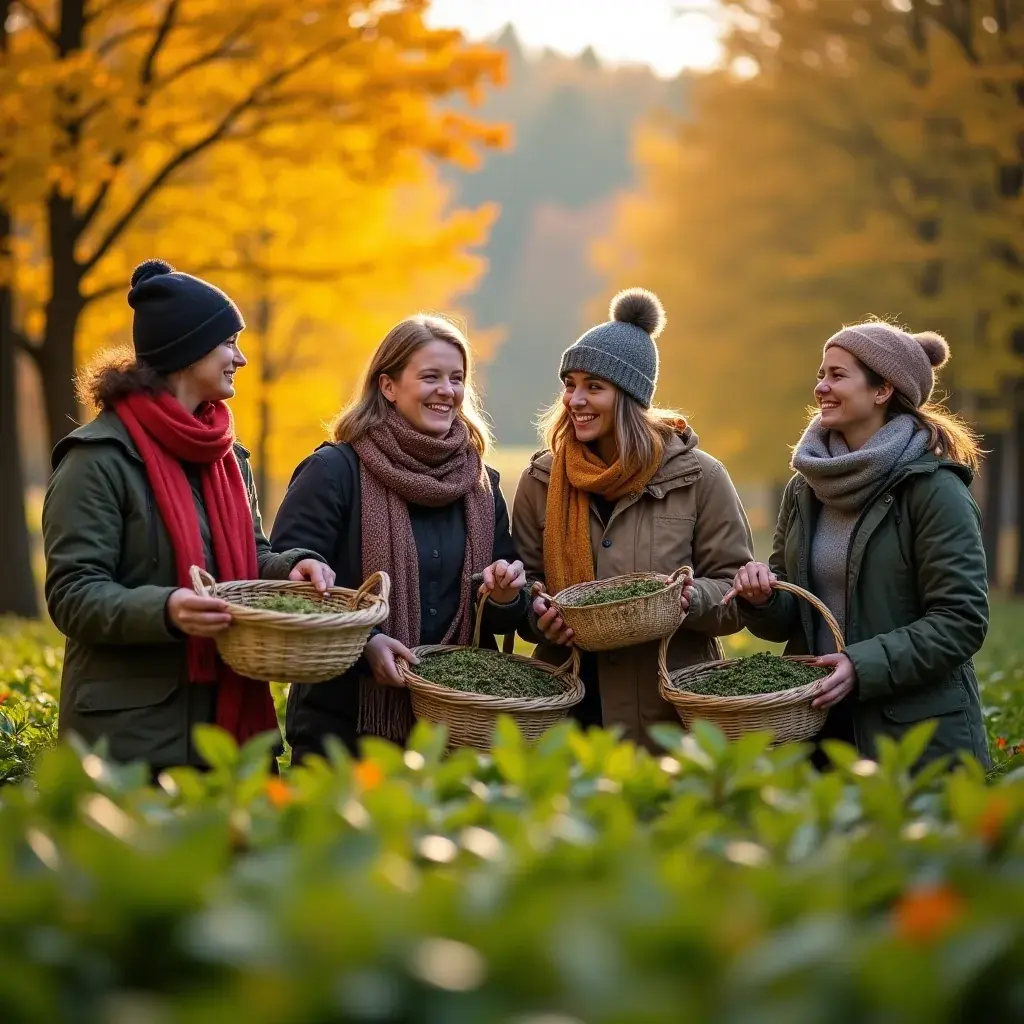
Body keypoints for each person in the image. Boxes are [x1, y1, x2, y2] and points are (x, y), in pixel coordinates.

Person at [42, 259, 334, 771]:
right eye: (228, 343)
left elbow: (250, 555)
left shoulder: (224, 455)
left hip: (227, 735)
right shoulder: (97, 459)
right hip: (132, 743)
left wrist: (291, 568)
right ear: (187, 350)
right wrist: (166, 609)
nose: (240, 359)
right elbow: (73, 594)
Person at [729, 319, 990, 768]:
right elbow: (792, 612)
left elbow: (961, 620)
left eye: (837, 375)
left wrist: (860, 664)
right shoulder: (805, 488)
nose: (821, 387)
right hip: (818, 731)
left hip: (912, 738)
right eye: (820, 375)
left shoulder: (934, 491)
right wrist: (762, 597)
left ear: (882, 390)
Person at [271, 314, 528, 762]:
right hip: (344, 728)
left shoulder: (481, 486)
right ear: (387, 386)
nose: (446, 390)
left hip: (455, 736)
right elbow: (289, 587)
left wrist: (505, 596)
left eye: (456, 378)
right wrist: (365, 642)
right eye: (430, 377)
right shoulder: (334, 472)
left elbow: (501, 617)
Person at [511, 288, 755, 748]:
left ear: (628, 396)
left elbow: (737, 594)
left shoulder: (699, 477)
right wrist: (535, 611)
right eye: (570, 384)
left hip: (669, 711)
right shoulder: (542, 480)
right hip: (569, 708)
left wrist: (688, 599)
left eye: (593, 387)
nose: (574, 400)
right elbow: (526, 587)